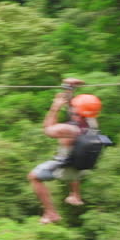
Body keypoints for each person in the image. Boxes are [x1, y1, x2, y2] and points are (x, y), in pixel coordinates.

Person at [27, 78, 103, 224]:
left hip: (66, 169)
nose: (72, 107)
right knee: (72, 151)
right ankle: (75, 195)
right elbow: (75, 110)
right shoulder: (92, 122)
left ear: (78, 111)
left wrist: (55, 107)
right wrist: (70, 89)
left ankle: (51, 213)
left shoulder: (69, 130)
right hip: (82, 168)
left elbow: (47, 129)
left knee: (33, 177)